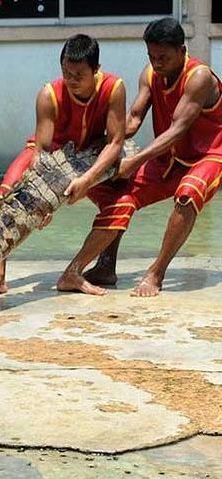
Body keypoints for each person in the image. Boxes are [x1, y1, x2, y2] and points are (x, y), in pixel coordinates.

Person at [57, 17, 222, 297]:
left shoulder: (199, 78)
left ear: (182, 51)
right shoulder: (149, 74)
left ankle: (156, 273)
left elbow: (178, 129)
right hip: (167, 157)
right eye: (152, 56)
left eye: (163, 57)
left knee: (187, 193)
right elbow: (133, 119)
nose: (157, 63)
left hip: (209, 154)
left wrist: (135, 160)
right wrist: (103, 142)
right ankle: (99, 267)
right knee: (121, 197)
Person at [0, 34, 126, 300]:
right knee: (5, 196)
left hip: (89, 158)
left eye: (79, 74)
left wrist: (88, 180)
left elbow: (115, 142)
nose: (71, 80)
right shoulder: (48, 94)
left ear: (96, 70)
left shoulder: (114, 88)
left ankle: (78, 271)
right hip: (50, 159)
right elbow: (41, 151)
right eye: (66, 72)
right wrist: (44, 201)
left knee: (124, 203)